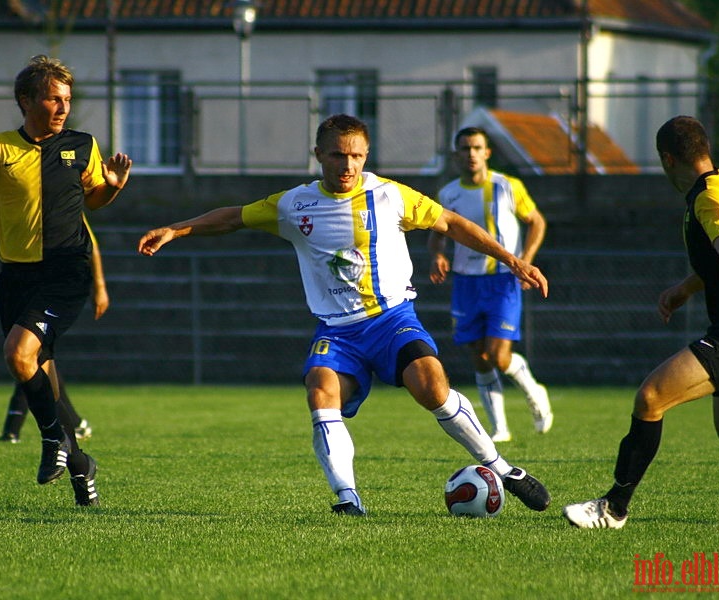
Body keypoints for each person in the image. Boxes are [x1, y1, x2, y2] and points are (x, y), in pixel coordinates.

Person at [138, 113, 552, 516]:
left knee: (430, 385)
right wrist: (176, 229)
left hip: (392, 319)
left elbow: (452, 224)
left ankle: (501, 468)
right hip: (337, 333)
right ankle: (347, 497)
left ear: (366, 156)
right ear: (319, 154)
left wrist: (512, 259)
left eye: (356, 156)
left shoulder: (390, 195)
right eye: (338, 155)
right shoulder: (294, 204)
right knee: (320, 391)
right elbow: (233, 217)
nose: (347, 165)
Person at [563, 116, 719, 529]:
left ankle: (613, 507)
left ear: (667, 159)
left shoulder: (708, 198)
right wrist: (686, 289)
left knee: (651, 398)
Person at [0, 55, 132, 507]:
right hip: (18, 277)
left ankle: (52, 442)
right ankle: (80, 464)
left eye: (67, 98)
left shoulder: (82, 145)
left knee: (17, 354)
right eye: (52, 97)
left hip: (66, 273)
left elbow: (95, 201)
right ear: (26, 100)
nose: (62, 106)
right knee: (35, 370)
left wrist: (114, 185)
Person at [428, 126, 553, 442]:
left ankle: (533, 390)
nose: (470, 153)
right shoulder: (448, 194)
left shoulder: (507, 186)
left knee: (498, 355)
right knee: (479, 357)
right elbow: (438, 232)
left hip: (502, 280)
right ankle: (500, 428)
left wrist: (524, 260)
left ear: (487, 153)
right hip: (466, 283)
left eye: (476, 147)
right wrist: (438, 255)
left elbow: (536, 221)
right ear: (456, 155)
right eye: (464, 148)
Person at [0, 208, 105, 444]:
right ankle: (72, 425)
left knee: (27, 354)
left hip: (56, 285)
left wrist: (100, 286)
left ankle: (19, 431)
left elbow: (90, 243)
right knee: (38, 358)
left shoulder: (60, 193)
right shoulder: (2, 192)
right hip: (20, 284)